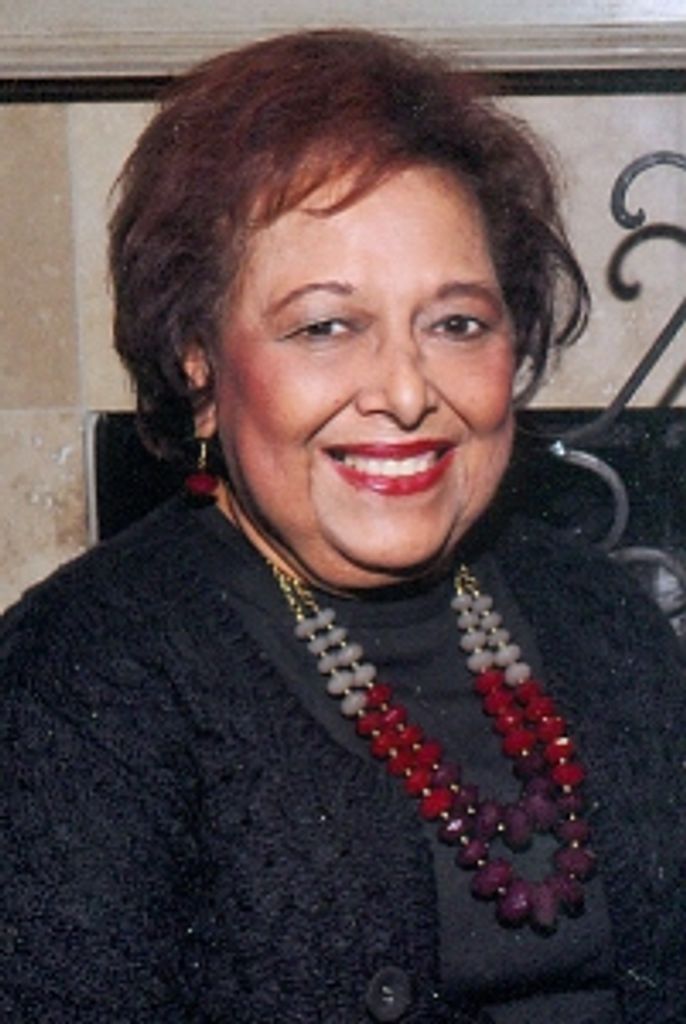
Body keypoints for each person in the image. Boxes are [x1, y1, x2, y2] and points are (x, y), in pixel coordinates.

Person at [1, 28, 683, 1024]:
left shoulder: (601, 614)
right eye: (325, 326)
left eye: (456, 323)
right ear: (200, 362)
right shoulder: (79, 680)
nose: (405, 392)